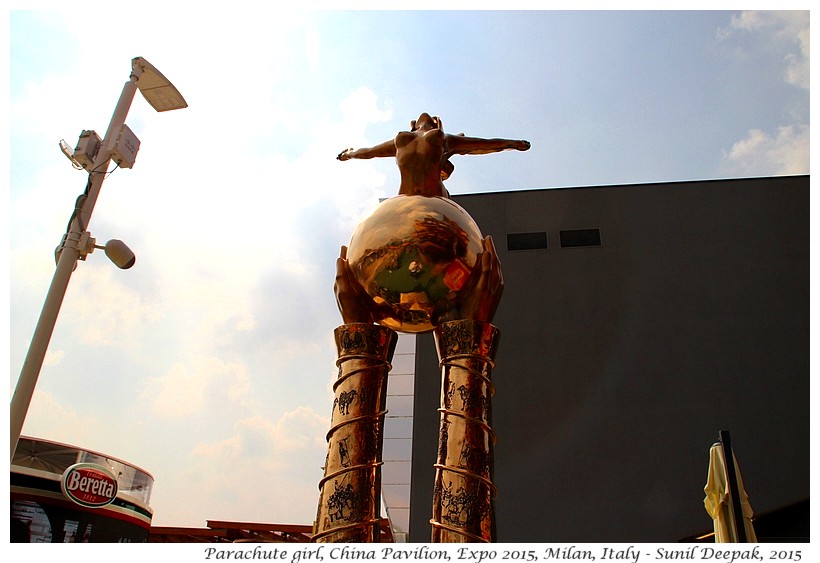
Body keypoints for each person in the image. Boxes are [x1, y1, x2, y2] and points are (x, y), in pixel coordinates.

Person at [337, 112, 530, 198]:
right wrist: (350, 153)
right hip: (406, 197)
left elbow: (484, 144)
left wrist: (512, 144)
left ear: (438, 124)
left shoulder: (444, 139)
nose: (425, 114)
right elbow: (370, 152)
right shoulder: (402, 140)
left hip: (434, 197)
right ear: (412, 125)